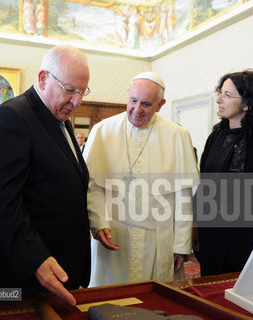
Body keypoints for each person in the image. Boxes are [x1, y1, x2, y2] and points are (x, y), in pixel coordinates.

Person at [0, 45, 91, 306]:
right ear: (43, 78)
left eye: (82, 91)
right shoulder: (11, 117)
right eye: (69, 89)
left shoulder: (58, 117)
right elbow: (3, 204)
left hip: (62, 267)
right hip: (30, 276)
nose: (77, 101)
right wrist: (36, 260)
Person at [83, 71, 199, 286]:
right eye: (133, 101)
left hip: (158, 239)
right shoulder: (103, 131)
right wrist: (98, 224)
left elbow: (183, 195)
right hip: (114, 235)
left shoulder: (177, 136)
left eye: (146, 104)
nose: (137, 110)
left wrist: (181, 245)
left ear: (160, 104)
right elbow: (93, 186)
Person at [195, 70, 253, 276]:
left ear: (247, 103)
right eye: (220, 93)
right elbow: (204, 183)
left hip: (248, 235)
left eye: (227, 95)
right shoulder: (216, 136)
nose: (219, 100)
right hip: (212, 232)